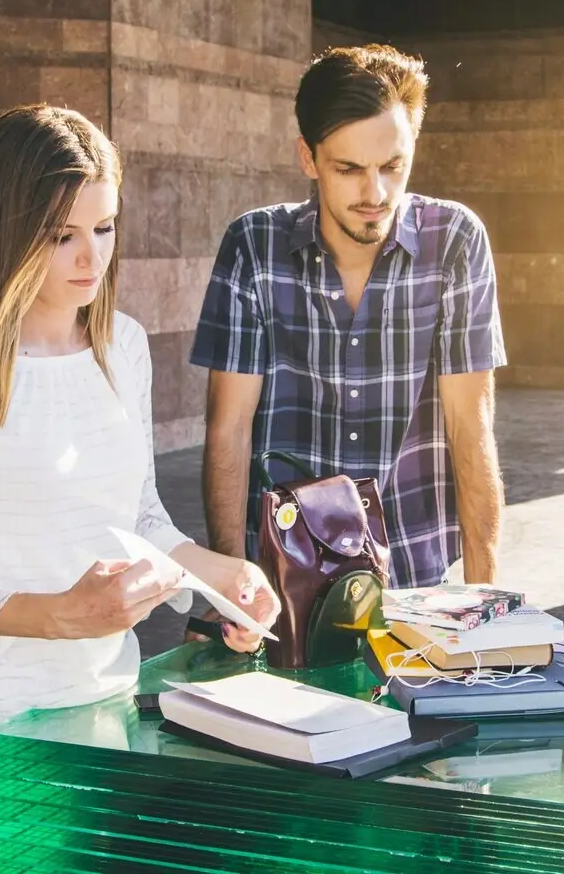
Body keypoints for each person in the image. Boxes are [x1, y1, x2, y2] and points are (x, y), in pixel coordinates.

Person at [0, 104, 281, 874]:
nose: (92, 258)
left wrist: (224, 577)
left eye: (105, 228)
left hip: (97, 718)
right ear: (7, 228)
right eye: (63, 235)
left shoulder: (124, 347)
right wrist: (57, 617)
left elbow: (135, 516)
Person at [190, 44, 507, 591]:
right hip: (283, 576)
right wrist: (228, 593)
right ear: (308, 158)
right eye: (349, 168)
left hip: (414, 573)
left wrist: (486, 603)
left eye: (393, 166)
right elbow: (228, 430)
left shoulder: (454, 240)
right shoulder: (254, 245)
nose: (375, 192)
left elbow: (470, 428)